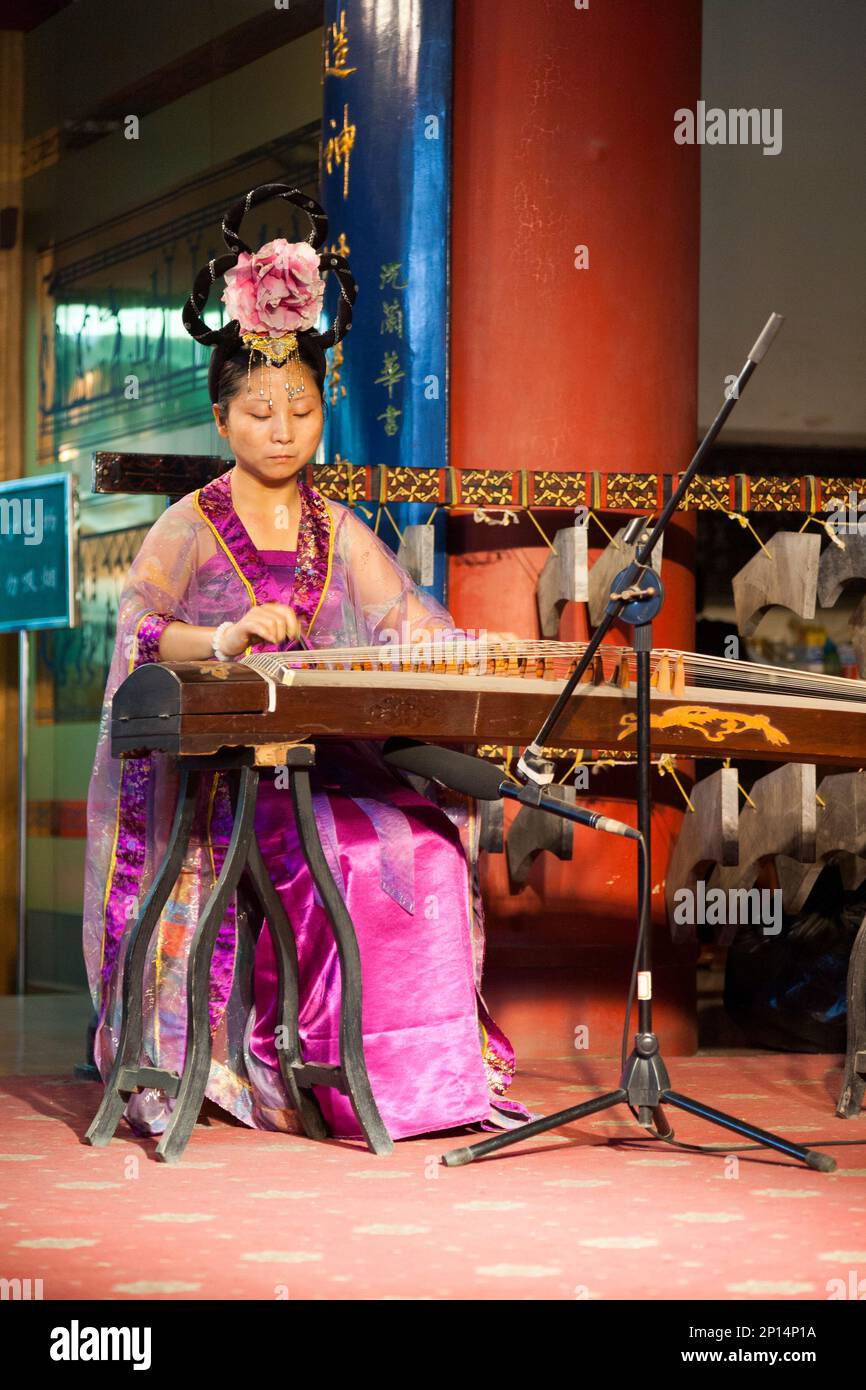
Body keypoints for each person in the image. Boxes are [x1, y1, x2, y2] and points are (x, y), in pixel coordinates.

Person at [82, 183, 529, 1141]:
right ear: (221, 420)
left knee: (428, 850)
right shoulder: (188, 525)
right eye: (259, 411)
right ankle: (315, 1074)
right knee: (353, 856)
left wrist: (486, 655)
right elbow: (142, 636)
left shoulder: (339, 528)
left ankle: (431, 1085)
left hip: (325, 762)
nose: (282, 429)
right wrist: (230, 638)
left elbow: (410, 625)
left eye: (301, 407)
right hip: (231, 780)